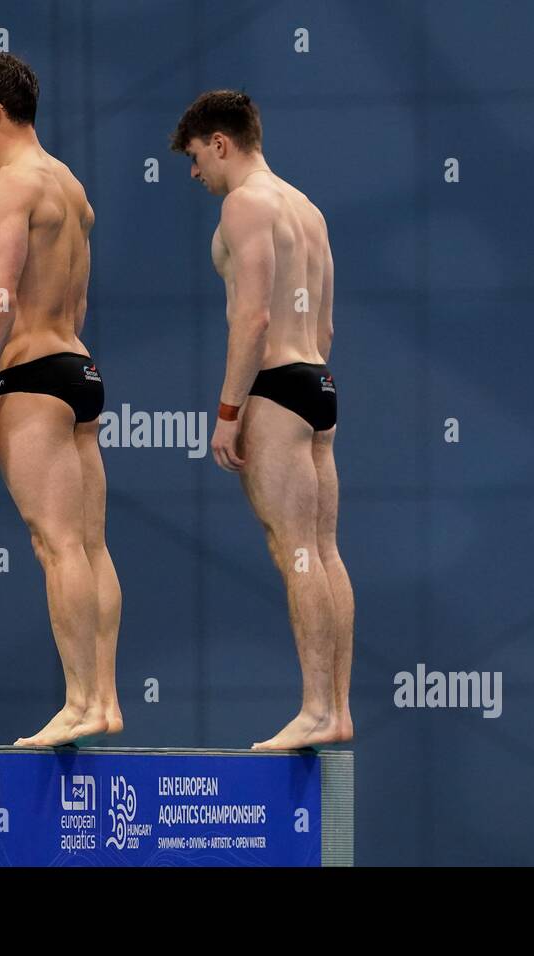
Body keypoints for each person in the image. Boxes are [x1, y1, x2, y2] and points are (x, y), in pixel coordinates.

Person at [170, 90, 354, 749]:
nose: (195, 174)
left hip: (274, 386)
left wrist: (229, 411)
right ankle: (336, 709)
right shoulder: (308, 209)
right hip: (317, 383)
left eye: (195, 158)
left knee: (294, 548)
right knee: (324, 549)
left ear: (220, 142)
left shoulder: (243, 204)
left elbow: (252, 317)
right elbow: (325, 325)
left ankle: (313, 709)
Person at [0, 52, 121, 746]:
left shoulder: (10, 188)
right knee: (89, 545)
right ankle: (105, 697)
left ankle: (80, 703)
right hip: (79, 370)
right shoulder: (71, 189)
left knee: (55, 547)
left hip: (33, 375)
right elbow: (78, 299)